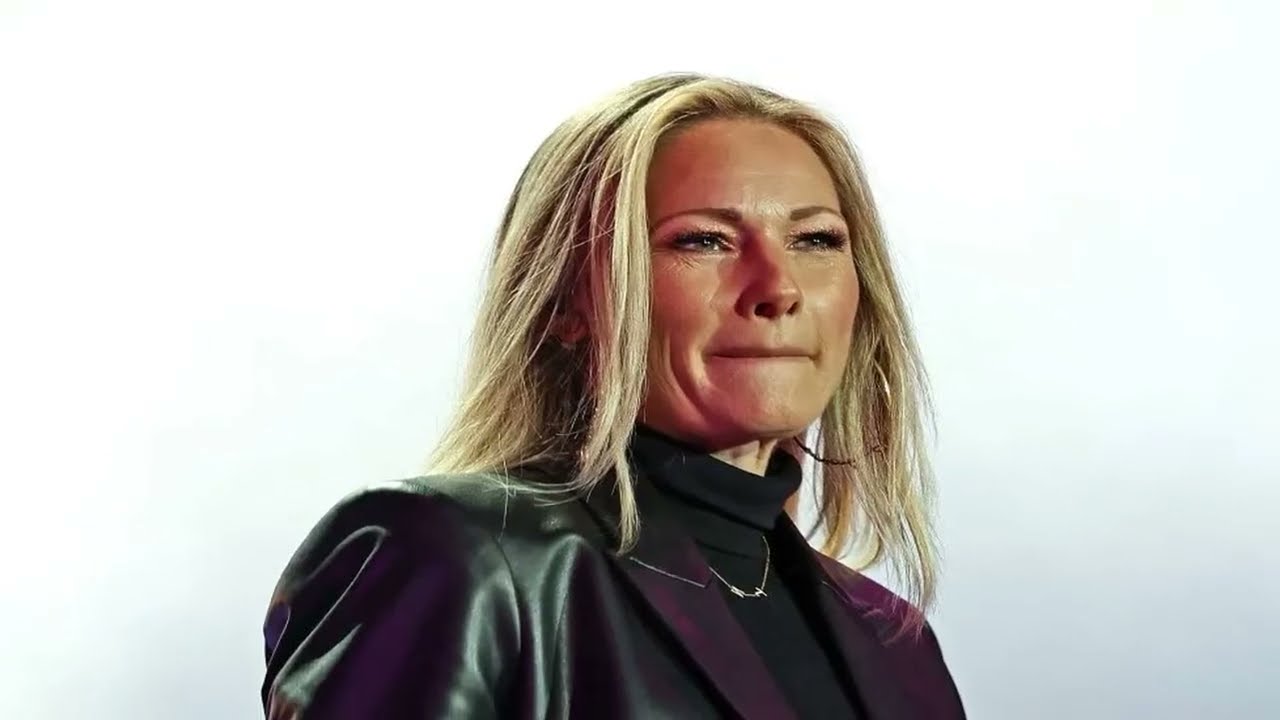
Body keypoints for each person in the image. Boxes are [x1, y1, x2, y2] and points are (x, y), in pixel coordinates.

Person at [260, 72, 966, 719]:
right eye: (704, 241)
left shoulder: (896, 645)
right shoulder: (454, 556)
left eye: (815, 239)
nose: (778, 289)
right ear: (567, 303)